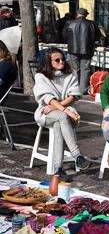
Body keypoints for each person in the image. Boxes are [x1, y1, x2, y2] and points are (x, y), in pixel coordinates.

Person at [33, 47, 90, 179]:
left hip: (62, 110)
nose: (61, 62)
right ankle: (77, 155)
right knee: (63, 116)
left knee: (60, 122)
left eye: (63, 59)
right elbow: (48, 99)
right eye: (57, 60)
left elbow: (73, 96)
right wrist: (64, 111)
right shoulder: (41, 76)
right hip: (45, 112)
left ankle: (58, 169)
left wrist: (58, 108)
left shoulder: (71, 73)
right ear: (48, 62)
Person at [62, 8, 101, 94]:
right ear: (85, 15)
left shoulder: (69, 23)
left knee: (74, 68)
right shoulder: (92, 24)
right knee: (85, 69)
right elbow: (98, 37)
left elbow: (64, 36)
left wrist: (71, 42)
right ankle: (83, 89)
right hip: (87, 49)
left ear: (77, 14)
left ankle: (74, 88)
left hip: (73, 49)